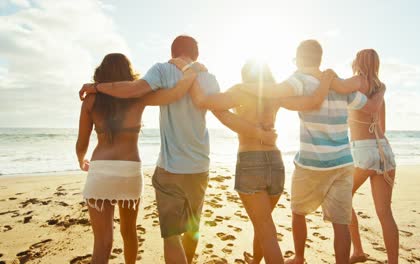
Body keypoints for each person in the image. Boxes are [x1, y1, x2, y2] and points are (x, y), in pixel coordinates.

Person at [79, 36, 276, 264]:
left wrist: (95, 88)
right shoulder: (207, 77)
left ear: (172, 53)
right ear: (196, 55)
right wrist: (259, 133)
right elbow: (222, 115)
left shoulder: (160, 71)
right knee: (190, 230)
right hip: (199, 166)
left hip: (168, 169)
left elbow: (136, 89)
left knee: (168, 238)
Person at [170, 57, 336, 263]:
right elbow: (312, 102)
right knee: (263, 223)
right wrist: (327, 80)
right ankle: (256, 260)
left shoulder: (241, 91)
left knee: (266, 230)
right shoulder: (276, 93)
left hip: (251, 161)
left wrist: (191, 74)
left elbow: (202, 101)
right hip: (276, 162)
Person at [238, 40, 382, 264]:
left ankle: (299, 257)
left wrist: (243, 88)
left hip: (311, 163)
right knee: (341, 223)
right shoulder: (339, 85)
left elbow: (273, 93)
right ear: (320, 58)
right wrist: (381, 90)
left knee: (298, 212)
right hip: (343, 162)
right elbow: (371, 107)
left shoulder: (300, 80)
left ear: (299, 58)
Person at [76, 53, 197, 263]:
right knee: (129, 232)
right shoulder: (139, 96)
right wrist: (188, 71)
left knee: (102, 242)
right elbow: (175, 94)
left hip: (100, 172)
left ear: (101, 72)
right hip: (129, 171)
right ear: (128, 74)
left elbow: (82, 142)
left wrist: (81, 159)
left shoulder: (91, 100)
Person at [332, 49, 398, 264]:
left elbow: (337, 87)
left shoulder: (357, 82)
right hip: (384, 151)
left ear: (357, 61)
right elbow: (383, 128)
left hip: (363, 151)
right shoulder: (379, 90)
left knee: (341, 197)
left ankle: (358, 250)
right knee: (385, 212)